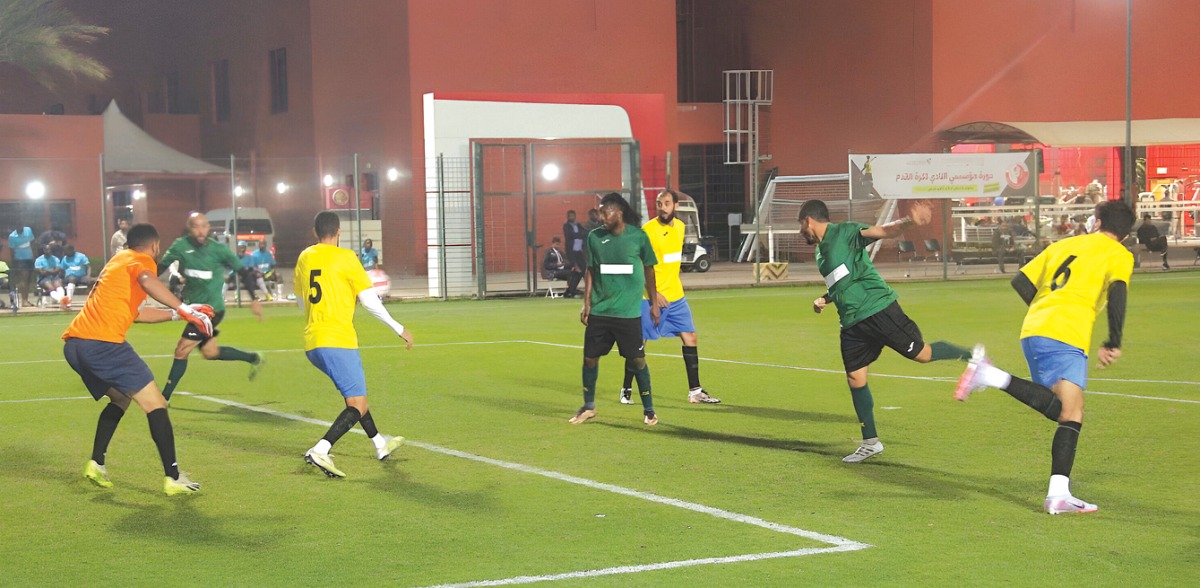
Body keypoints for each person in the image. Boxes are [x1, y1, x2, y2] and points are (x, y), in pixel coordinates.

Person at [955, 200, 1135, 515]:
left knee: (1068, 411)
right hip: (1066, 333)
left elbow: (1021, 281)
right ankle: (990, 375)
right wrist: (1113, 341)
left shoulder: (1066, 244)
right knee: (1070, 411)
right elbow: (1118, 292)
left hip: (1035, 329)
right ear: (1125, 233)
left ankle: (1058, 494)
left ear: (1097, 222)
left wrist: (1045, 311)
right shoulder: (1120, 254)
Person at [799, 199, 974, 463]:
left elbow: (884, 231)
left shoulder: (844, 232)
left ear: (808, 220)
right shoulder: (820, 252)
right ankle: (871, 442)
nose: (801, 231)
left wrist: (910, 221)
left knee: (922, 354)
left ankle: (971, 355)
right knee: (855, 379)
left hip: (878, 309)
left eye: (801, 225)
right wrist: (825, 298)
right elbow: (842, 280)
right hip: (852, 322)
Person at [67, 223, 214, 495]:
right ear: (155, 246)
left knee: (121, 399)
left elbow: (137, 314)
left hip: (76, 345)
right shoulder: (141, 260)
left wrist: (179, 314)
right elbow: (149, 279)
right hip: (103, 344)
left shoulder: (118, 262)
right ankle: (172, 477)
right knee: (155, 403)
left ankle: (96, 463)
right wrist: (183, 307)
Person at [296, 211, 412, 478]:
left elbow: (301, 298)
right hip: (338, 340)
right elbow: (371, 301)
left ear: (316, 233)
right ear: (338, 232)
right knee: (356, 405)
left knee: (356, 397)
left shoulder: (305, 257)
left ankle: (379, 444)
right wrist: (399, 328)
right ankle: (321, 449)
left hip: (313, 342)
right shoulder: (346, 258)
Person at [619, 190, 721, 405]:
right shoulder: (648, 231)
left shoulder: (681, 228)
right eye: (659, 203)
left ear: (675, 206)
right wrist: (654, 293)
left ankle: (695, 391)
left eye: (666, 203)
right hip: (650, 298)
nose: (662, 207)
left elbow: (670, 263)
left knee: (690, 337)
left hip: (676, 296)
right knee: (639, 345)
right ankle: (626, 389)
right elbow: (638, 264)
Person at [570, 192, 661, 427]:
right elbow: (591, 269)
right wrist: (587, 302)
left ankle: (649, 410)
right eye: (599, 212)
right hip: (601, 310)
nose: (600, 217)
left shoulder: (638, 237)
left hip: (627, 313)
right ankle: (588, 406)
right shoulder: (594, 237)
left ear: (618, 212)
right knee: (590, 358)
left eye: (605, 212)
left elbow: (650, 269)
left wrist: (653, 303)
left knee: (637, 361)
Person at [158, 212, 265, 402]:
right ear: (189, 228)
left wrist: (254, 299)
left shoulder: (219, 250)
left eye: (204, 226)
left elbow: (243, 271)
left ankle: (163, 399)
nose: (200, 231)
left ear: (209, 228)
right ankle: (253, 358)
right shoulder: (180, 246)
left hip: (211, 310)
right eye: (195, 227)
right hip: (194, 309)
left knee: (181, 349)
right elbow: (160, 267)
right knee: (210, 353)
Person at [9, 224, 36, 306]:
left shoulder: (28, 230)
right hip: (20, 260)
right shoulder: (12, 236)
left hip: (30, 258)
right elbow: (12, 251)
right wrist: (14, 263)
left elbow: (33, 243)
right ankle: (23, 301)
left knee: (28, 280)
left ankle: (26, 300)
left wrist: (34, 256)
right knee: (23, 280)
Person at [34, 244, 67, 309]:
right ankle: (63, 301)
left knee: (58, 285)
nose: (48, 251)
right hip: (43, 278)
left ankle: (62, 301)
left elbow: (57, 270)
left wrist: (46, 270)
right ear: (44, 250)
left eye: (49, 249)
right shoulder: (39, 260)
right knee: (51, 287)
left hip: (54, 277)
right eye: (46, 249)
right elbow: (41, 272)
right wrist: (52, 270)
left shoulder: (55, 259)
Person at [563, 210, 587, 282]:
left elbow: (585, 233)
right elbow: (570, 235)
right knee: (574, 268)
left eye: (573, 215)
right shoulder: (566, 226)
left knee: (583, 267)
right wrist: (579, 235)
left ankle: (587, 286)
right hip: (571, 251)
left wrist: (577, 235)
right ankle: (571, 287)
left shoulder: (578, 225)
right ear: (567, 217)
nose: (572, 217)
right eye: (570, 216)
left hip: (579, 250)